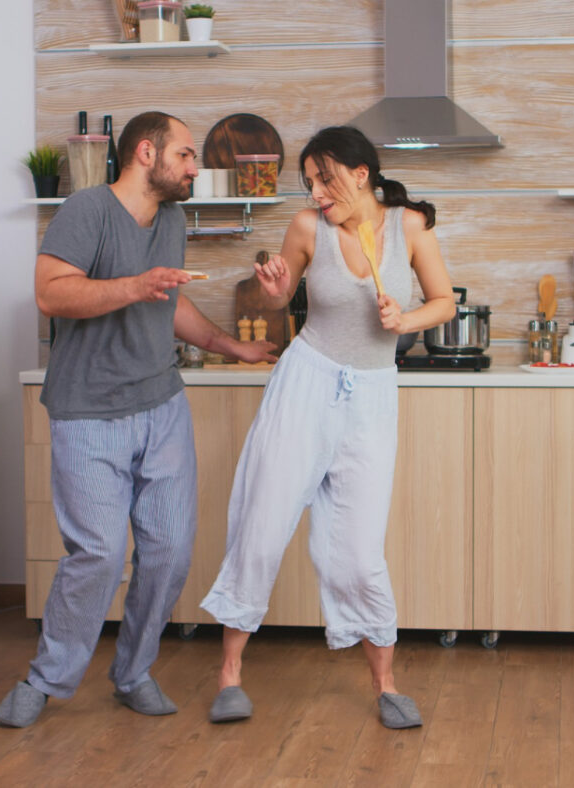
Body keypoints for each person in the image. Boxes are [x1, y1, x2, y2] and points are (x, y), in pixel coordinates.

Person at [0, 111, 276, 729]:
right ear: (145, 153)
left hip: (161, 406)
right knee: (96, 554)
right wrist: (132, 285)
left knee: (170, 552)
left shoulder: (170, 219)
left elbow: (168, 298)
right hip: (90, 412)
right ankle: (46, 681)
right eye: (185, 155)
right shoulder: (87, 210)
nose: (195, 168)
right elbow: (51, 292)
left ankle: (133, 672)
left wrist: (236, 348)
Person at [199, 126, 456, 729]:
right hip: (306, 383)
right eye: (309, 182)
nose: (315, 192)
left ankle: (387, 686)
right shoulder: (306, 228)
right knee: (262, 525)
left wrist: (406, 316)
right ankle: (229, 676)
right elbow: (281, 290)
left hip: (371, 394)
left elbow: (444, 301)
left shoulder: (410, 227)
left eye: (324, 179)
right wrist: (273, 287)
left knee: (359, 551)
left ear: (361, 173)